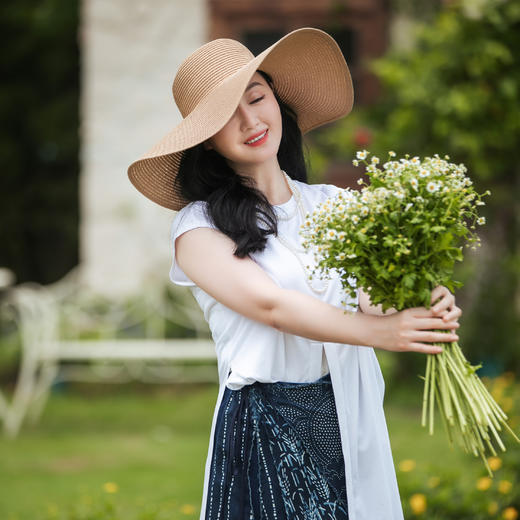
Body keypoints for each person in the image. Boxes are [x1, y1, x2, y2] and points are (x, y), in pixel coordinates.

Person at [127, 28, 461, 520]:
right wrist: (382, 332)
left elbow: (373, 295)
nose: (249, 120)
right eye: (226, 116)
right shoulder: (198, 228)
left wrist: (421, 300)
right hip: (266, 423)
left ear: (278, 104)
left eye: (257, 98)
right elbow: (272, 306)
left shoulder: (334, 205)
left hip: (347, 412)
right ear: (208, 143)